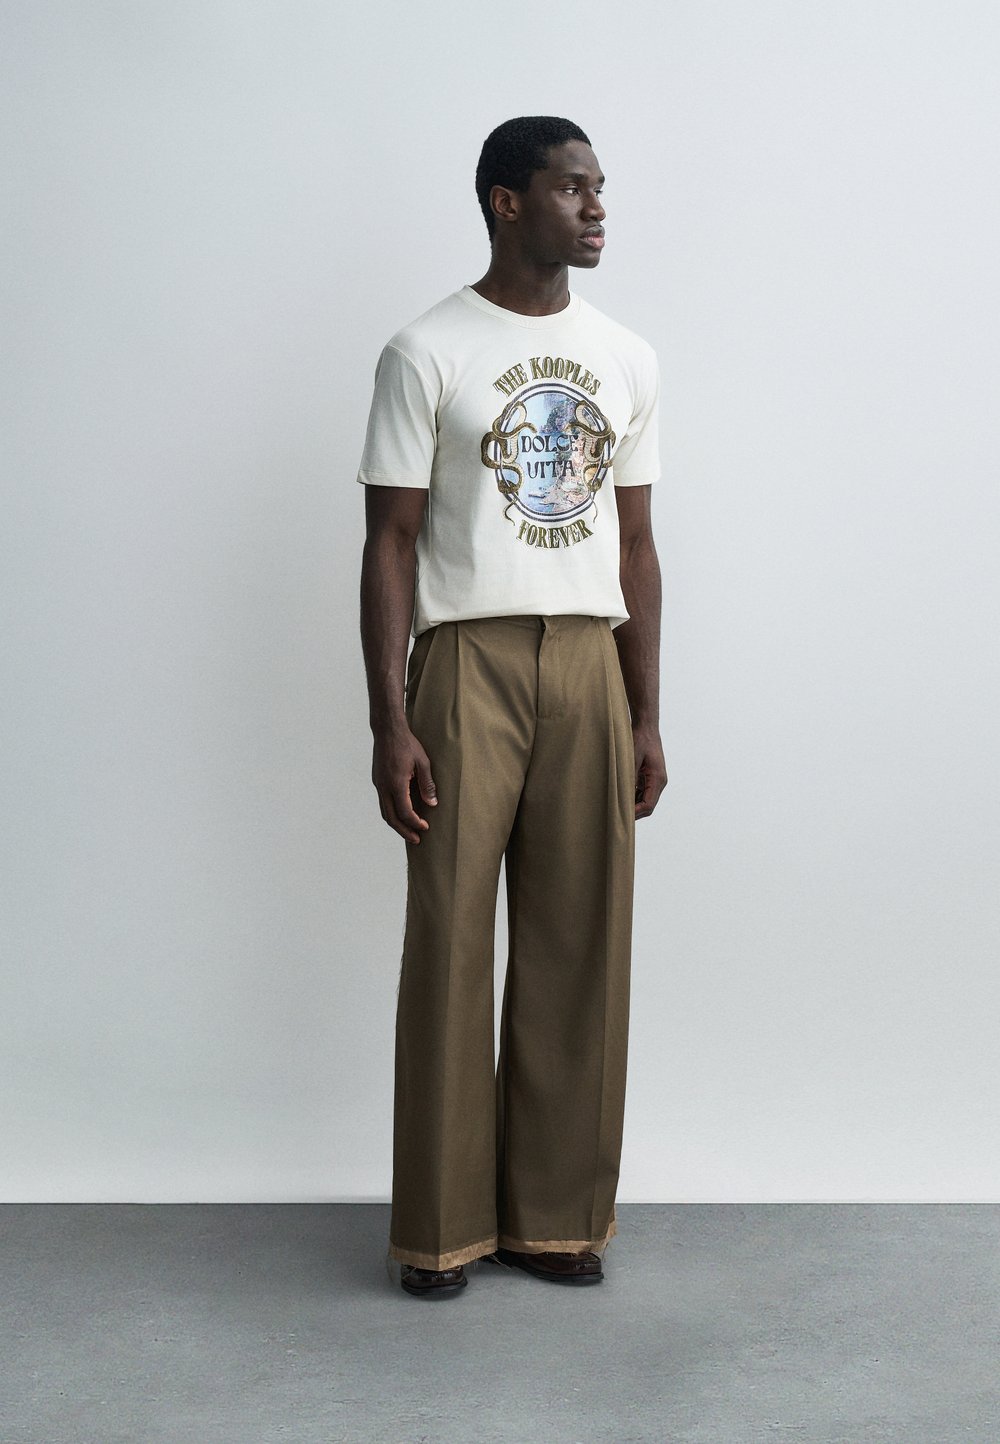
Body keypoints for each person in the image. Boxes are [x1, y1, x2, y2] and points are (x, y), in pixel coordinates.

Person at [357, 115, 666, 1300]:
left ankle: (553, 1217)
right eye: (572, 187)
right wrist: (390, 718)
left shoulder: (626, 356)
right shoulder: (425, 350)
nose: (595, 207)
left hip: (588, 659)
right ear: (506, 201)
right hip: (465, 659)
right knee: (448, 938)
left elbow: (635, 547)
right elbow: (389, 542)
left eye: (598, 187)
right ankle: (439, 1227)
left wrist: (645, 712)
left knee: (581, 939)